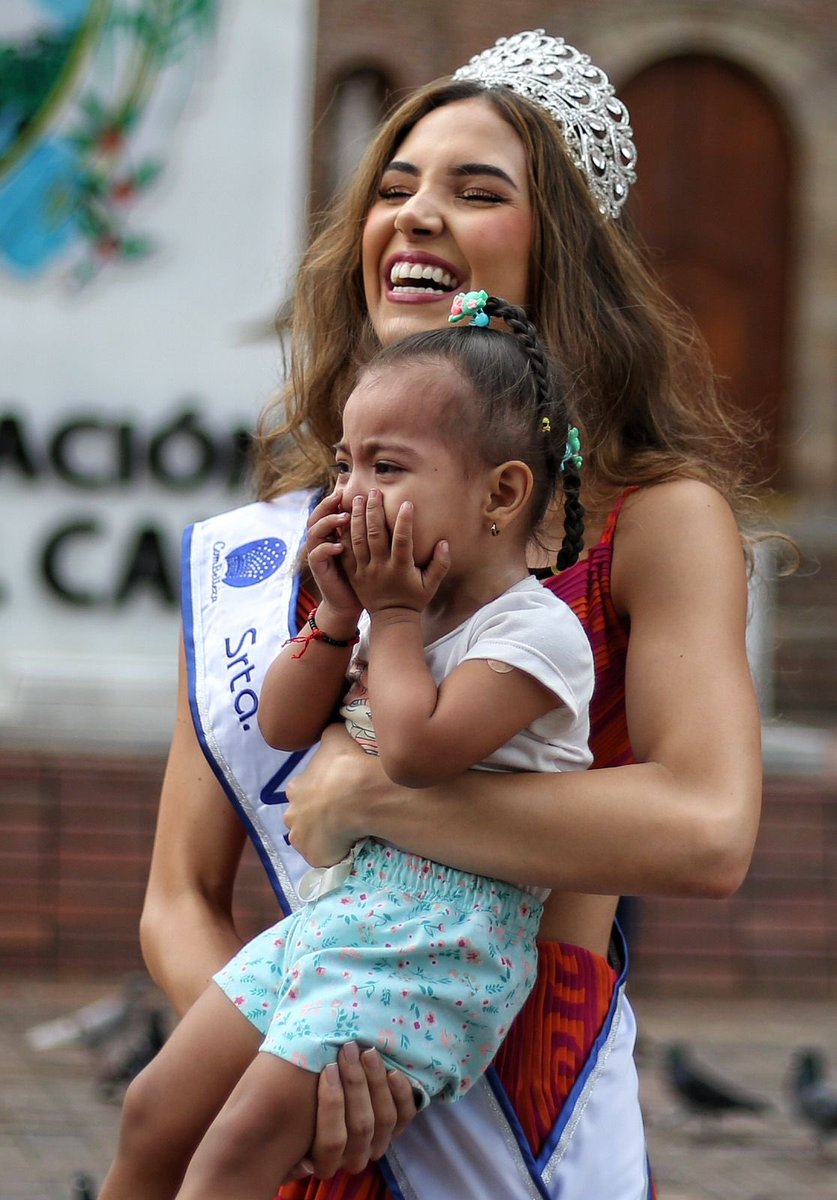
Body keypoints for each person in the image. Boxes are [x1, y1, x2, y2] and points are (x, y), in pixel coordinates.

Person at [138, 28, 763, 1200]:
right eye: (393, 188)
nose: (415, 215)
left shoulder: (648, 518)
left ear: (562, 253)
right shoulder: (280, 542)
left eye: (477, 192)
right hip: (301, 1083)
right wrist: (289, 1055)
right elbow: (178, 894)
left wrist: (375, 792)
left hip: (518, 1080)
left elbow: (706, 824)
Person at [100, 298, 595, 1198]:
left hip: (439, 942)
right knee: (156, 1108)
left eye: (387, 466)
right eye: (343, 464)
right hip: (339, 919)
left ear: (500, 493)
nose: (348, 494)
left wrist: (393, 614)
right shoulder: (381, 615)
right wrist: (334, 617)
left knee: (237, 1151)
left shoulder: (534, 634)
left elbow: (413, 751)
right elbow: (283, 725)